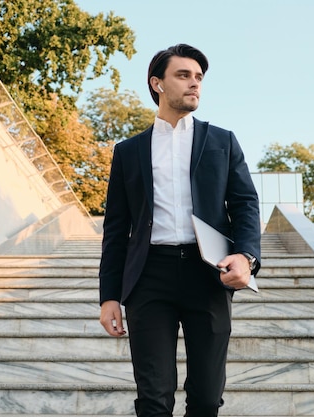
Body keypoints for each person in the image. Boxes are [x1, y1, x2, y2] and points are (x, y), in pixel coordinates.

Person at [98, 43, 261, 417]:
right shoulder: (128, 151)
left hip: (208, 275)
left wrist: (246, 255)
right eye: (183, 75)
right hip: (149, 278)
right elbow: (117, 227)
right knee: (153, 398)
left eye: (199, 77)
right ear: (157, 83)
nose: (195, 84)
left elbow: (244, 204)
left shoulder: (222, 141)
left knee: (205, 397)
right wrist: (109, 295)